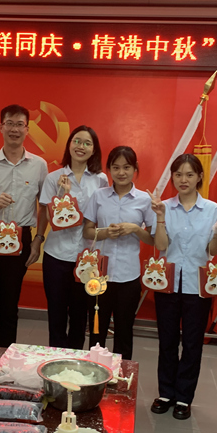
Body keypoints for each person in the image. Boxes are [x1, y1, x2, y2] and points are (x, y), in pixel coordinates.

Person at [149, 154, 217, 420]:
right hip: (167, 283)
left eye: (189, 174)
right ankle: (165, 393)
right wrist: (160, 218)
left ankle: (184, 397)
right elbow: (161, 246)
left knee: (193, 343)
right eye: (178, 174)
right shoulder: (164, 207)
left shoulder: (212, 209)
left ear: (199, 177)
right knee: (167, 340)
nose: (183, 180)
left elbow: (213, 251)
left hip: (197, 285)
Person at [0, 104, 48, 347]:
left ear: (27, 129)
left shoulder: (39, 165)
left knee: (10, 304)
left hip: (21, 238)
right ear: (1, 127)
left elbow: (44, 207)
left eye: (20, 124)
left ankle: (6, 358)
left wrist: (38, 239)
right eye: (10, 124)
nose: (15, 129)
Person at [38, 126, 108, 349]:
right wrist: (63, 196)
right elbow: (51, 218)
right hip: (56, 254)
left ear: (94, 149)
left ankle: (76, 360)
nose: (81, 146)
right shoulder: (54, 178)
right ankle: (55, 361)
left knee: (80, 316)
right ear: (69, 144)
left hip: (85, 258)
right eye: (77, 141)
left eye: (87, 143)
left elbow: (101, 216)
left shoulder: (101, 180)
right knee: (56, 314)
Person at [82, 146, 154, 360]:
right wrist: (105, 233)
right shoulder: (99, 195)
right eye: (116, 167)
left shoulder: (145, 200)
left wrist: (136, 229)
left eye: (126, 167)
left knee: (124, 332)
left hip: (128, 276)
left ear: (135, 168)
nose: (121, 172)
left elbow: (153, 239)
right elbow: (87, 231)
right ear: (109, 169)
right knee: (96, 332)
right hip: (99, 275)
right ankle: (94, 373)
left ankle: (121, 375)